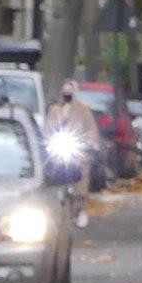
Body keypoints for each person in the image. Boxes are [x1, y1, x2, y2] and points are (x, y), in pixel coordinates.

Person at [42, 80, 105, 219]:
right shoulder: (55, 110)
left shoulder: (83, 110)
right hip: (59, 146)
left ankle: (80, 203)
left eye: (70, 92)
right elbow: (48, 128)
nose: (67, 94)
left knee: (82, 170)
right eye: (65, 92)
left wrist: (92, 143)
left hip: (78, 148)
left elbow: (91, 129)